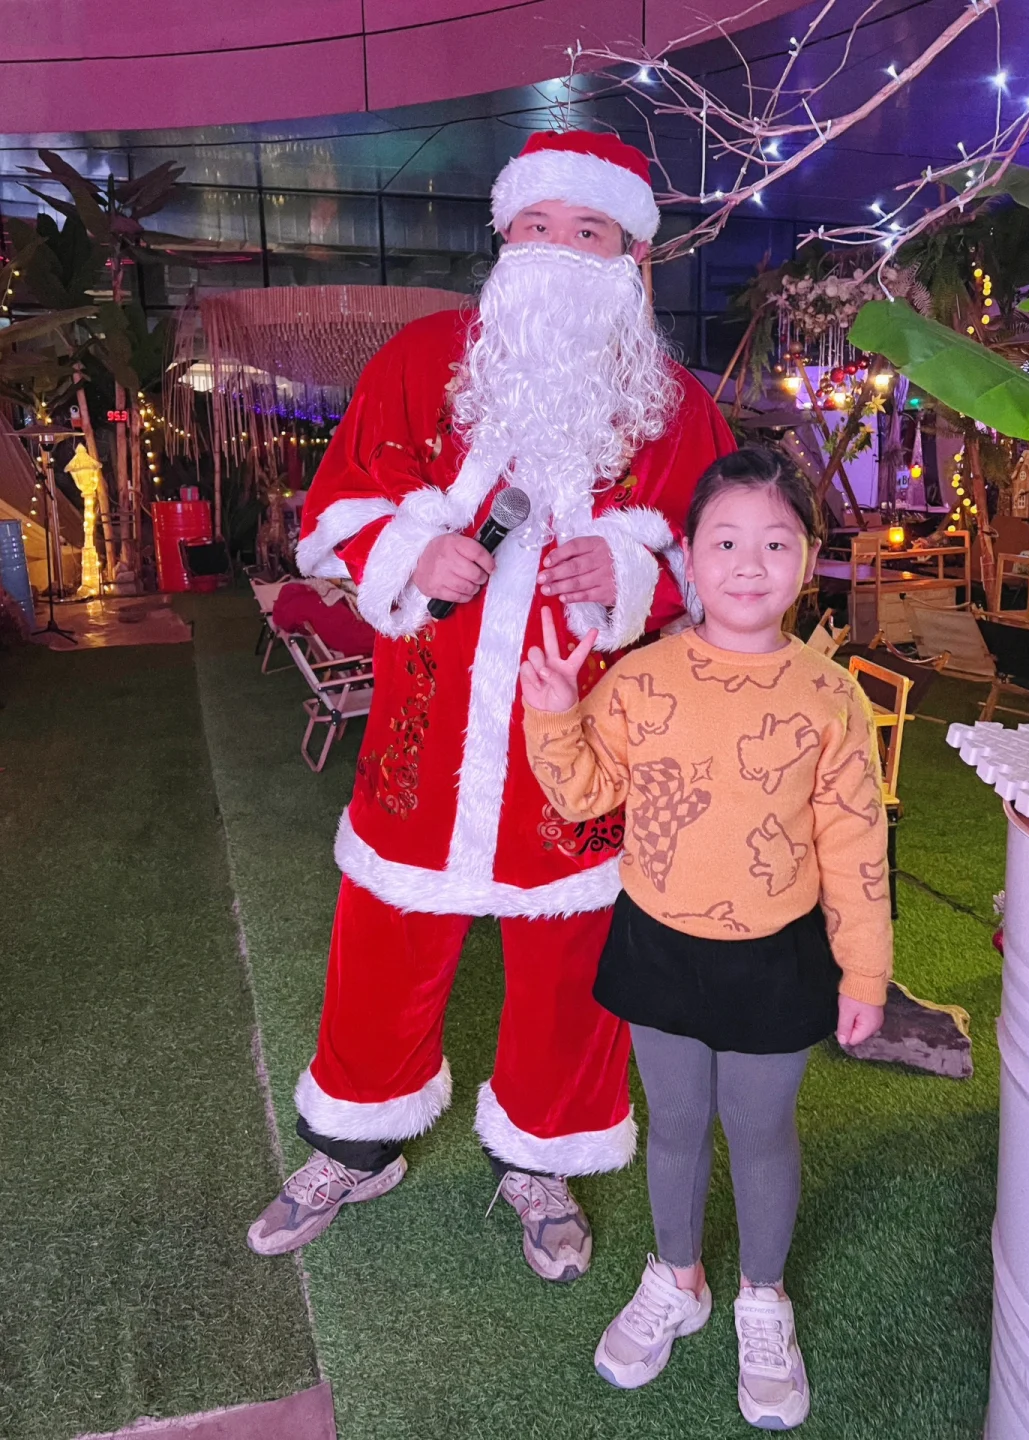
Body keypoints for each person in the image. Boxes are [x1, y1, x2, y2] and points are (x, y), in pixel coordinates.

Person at [246, 128, 736, 1281]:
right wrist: (410, 554)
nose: (559, 247)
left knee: (572, 962)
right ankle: (351, 1146)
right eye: (538, 224)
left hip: (581, 750)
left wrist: (633, 573)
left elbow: (725, 557)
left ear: (630, 255)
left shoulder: (672, 406)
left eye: (588, 229)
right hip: (424, 742)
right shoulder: (422, 358)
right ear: (506, 237)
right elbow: (337, 506)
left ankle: (542, 1161)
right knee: (383, 942)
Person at [520, 444, 891, 1429]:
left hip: (777, 958)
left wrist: (866, 970)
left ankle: (763, 1297)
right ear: (687, 557)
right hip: (661, 946)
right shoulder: (641, 679)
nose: (748, 563)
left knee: (760, 1130)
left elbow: (856, 842)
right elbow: (585, 792)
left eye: (775, 542)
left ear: (806, 560)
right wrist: (554, 715)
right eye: (724, 541)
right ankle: (676, 1279)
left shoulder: (829, 698)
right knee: (677, 1123)